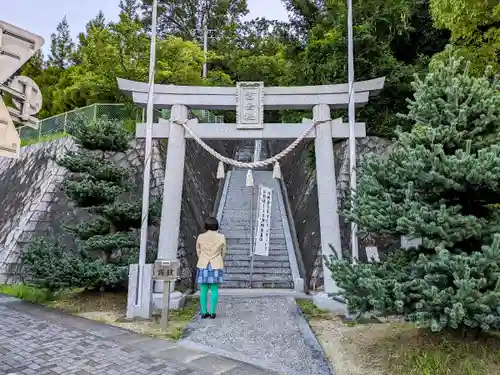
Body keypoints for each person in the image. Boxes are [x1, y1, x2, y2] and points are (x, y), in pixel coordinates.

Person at [196, 216, 226, 319]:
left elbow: (198, 250)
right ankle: (212, 312)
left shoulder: (201, 237)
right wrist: (219, 259)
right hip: (216, 264)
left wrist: (203, 257)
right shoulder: (221, 237)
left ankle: (204, 312)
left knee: (203, 288)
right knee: (214, 289)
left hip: (203, 264)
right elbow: (223, 252)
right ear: (216, 226)